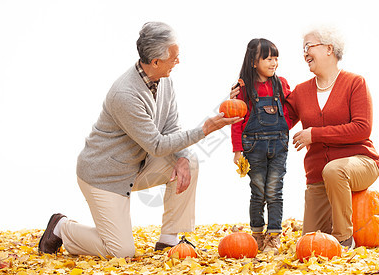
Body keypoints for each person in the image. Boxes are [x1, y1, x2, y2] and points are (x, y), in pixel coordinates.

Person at [38, 22, 241, 258]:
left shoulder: (165, 81)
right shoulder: (125, 94)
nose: (178, 62)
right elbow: (156, 145)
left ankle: (169, 241)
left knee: (190, 161)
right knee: (121, 252)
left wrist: (183, 157)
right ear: (155, 61)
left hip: (138, 166)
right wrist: (205, 129)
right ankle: (62, 228)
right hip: (105, 176)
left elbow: (170, 127)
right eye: (174, 57)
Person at [286, 26, 379, 250]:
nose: (305, 53)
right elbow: (277, 122)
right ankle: (336, 208)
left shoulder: (355, 83)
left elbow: (361, 128)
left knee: (334, 170)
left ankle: (344, 239)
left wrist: (314, 134)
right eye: (303, 49)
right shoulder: (301, 92)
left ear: (329, 49)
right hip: (318, 175)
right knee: (309, 244)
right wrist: (245, 100)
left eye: (309, 46)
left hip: (361, 162)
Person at [230, 38, 292, 253]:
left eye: (276, 58)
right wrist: (237, 150)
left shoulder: (281, 83)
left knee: (275, 191)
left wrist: (286, 127)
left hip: (278, 145)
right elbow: (235, 119)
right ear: (254, 62)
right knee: (258, 192)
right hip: (253, 146)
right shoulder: (243, 87)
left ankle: (274, 237)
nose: (274, 62)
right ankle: (257, 235)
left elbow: (291, 110)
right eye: (268, 58)